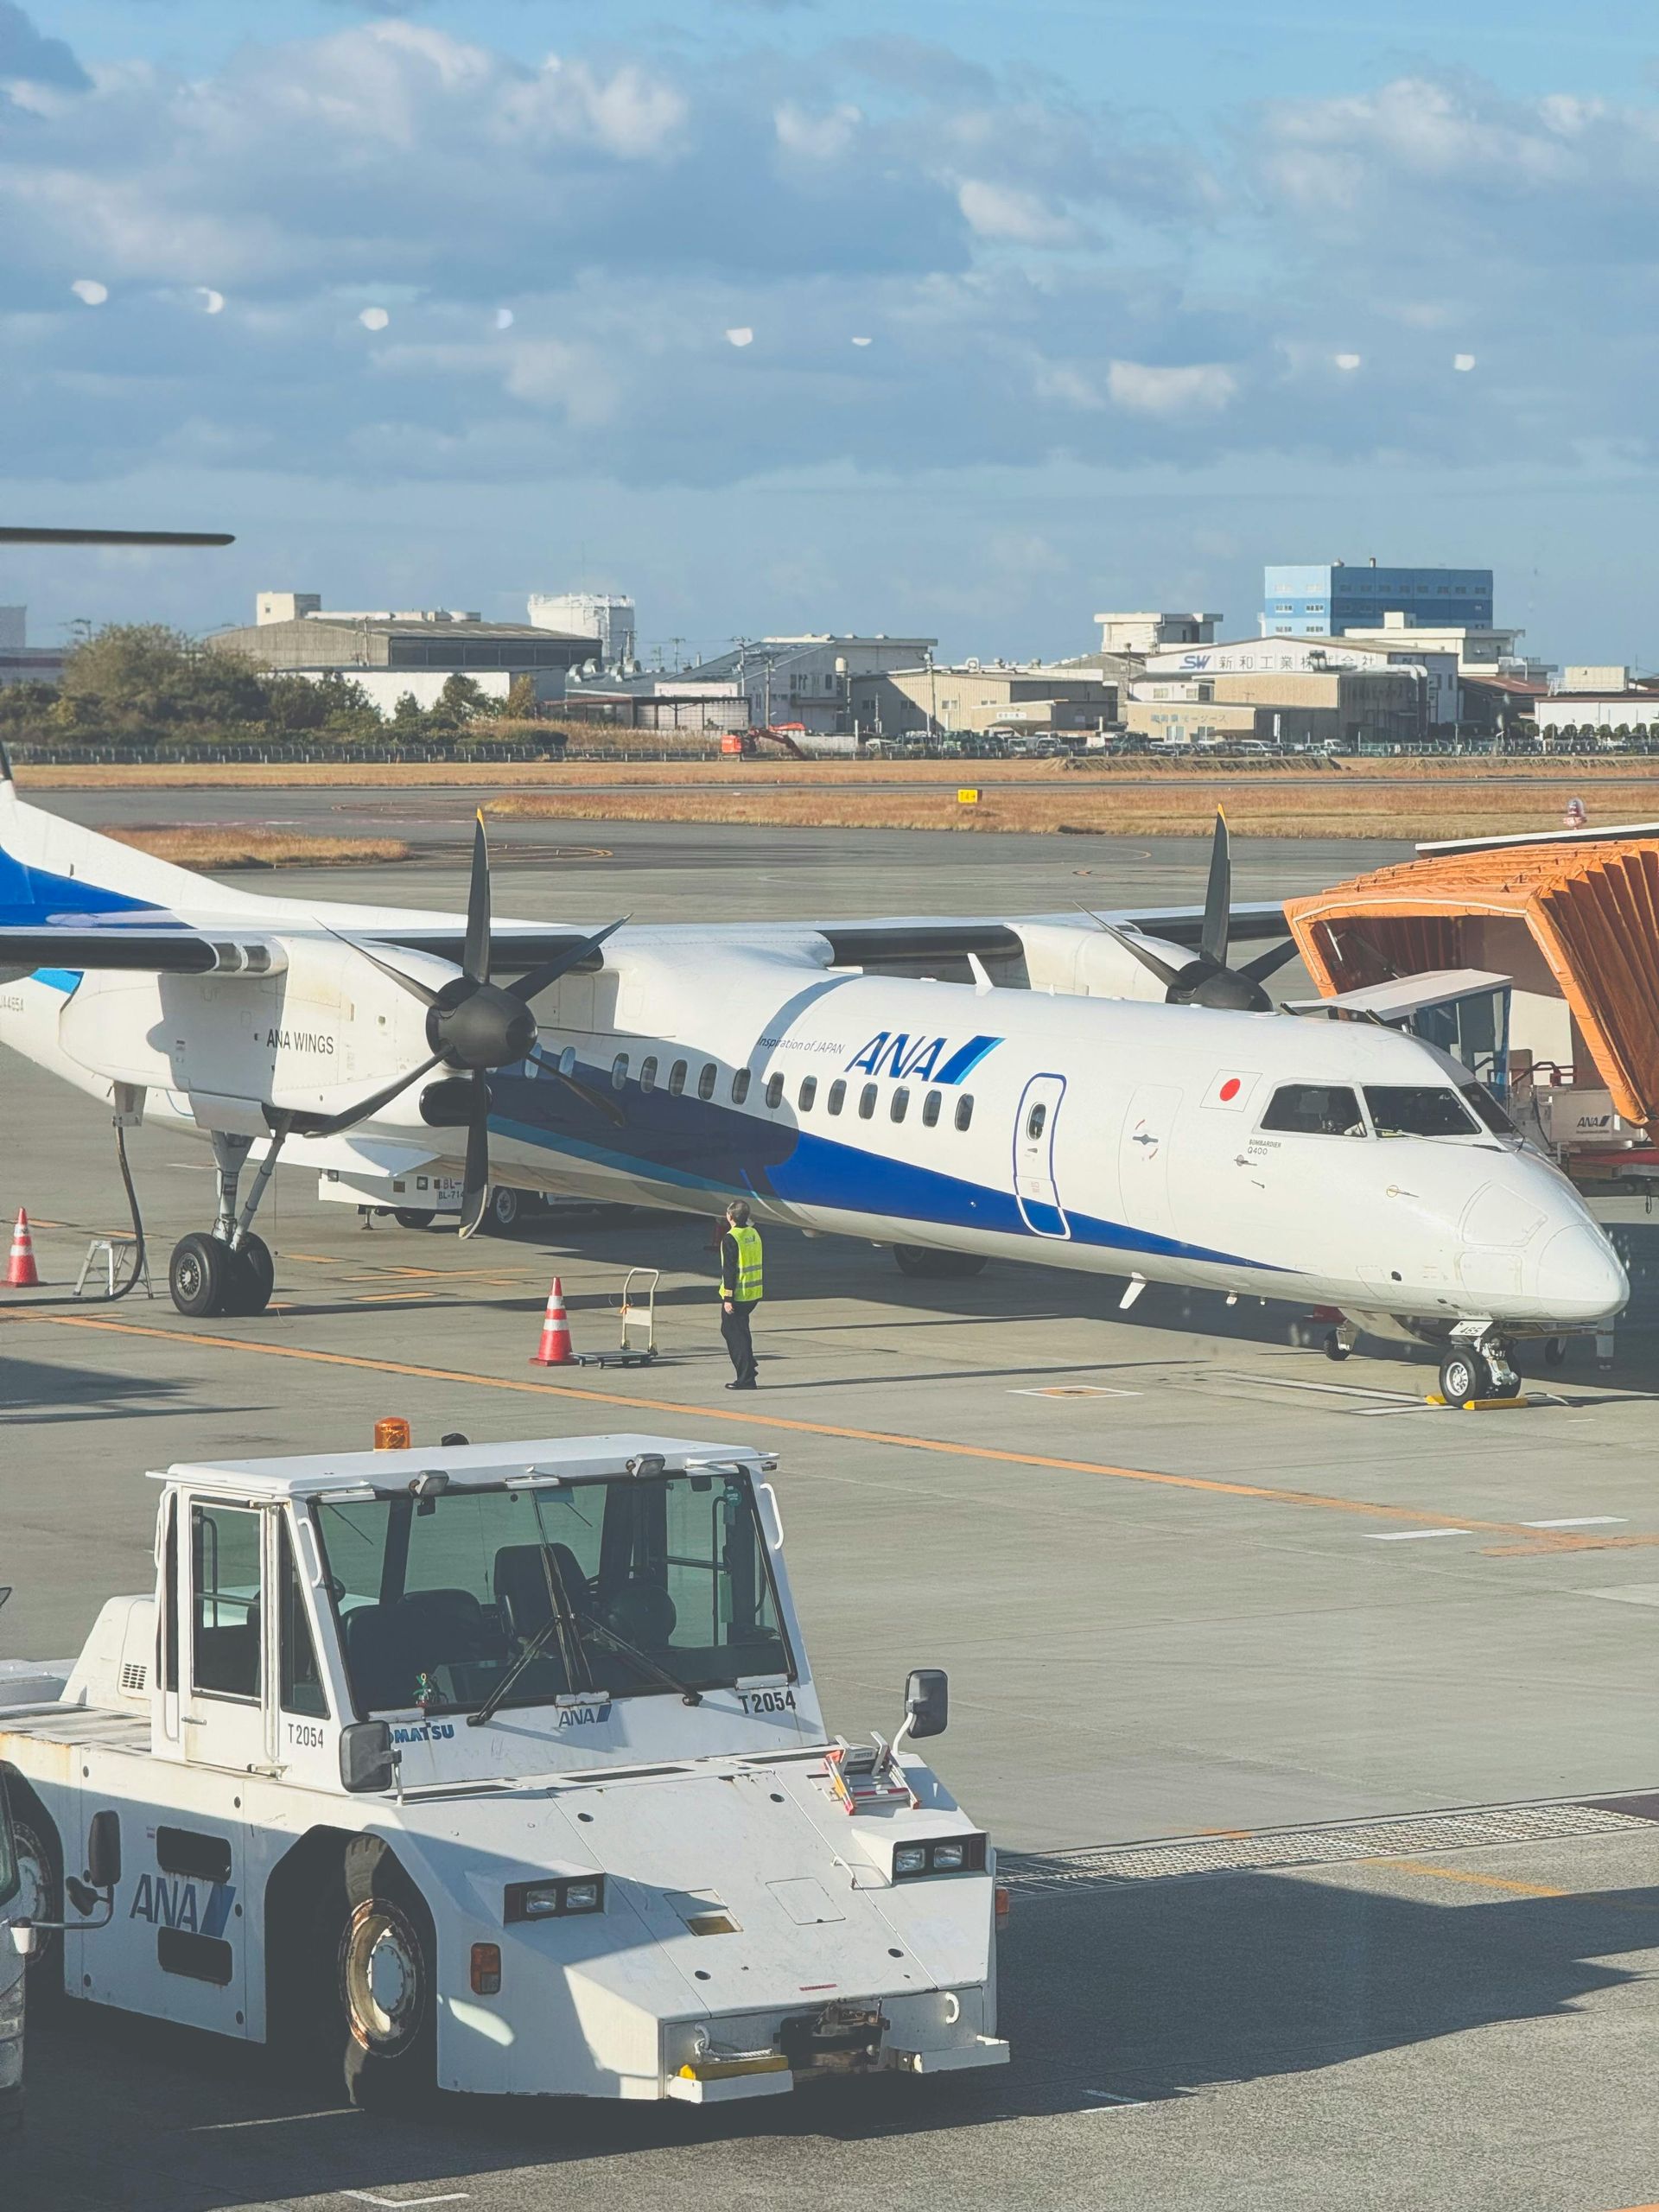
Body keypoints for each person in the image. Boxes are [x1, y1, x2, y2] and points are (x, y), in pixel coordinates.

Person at [718, 1198, 763, 1389]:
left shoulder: (731, 1238)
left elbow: (730, 1270)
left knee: (734, 1335)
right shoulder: (753, 1233)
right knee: (740, 1332)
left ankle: (746, 1379)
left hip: (738, 1295)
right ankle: (750, 1367)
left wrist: (728, 1298)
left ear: (730, 1217)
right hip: (753, 1293)